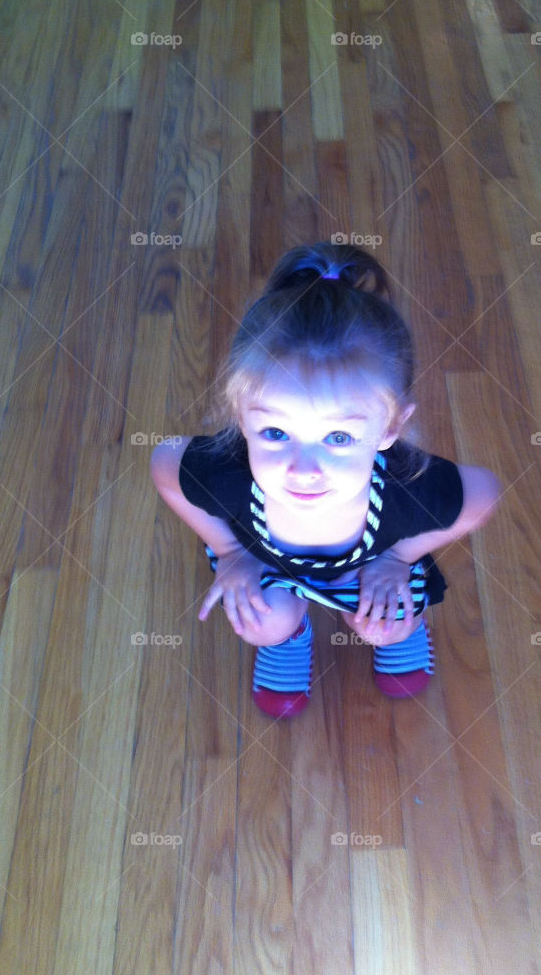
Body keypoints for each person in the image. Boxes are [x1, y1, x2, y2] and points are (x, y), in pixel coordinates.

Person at [150, 241, 501, 718]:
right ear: (240, 416)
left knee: (386, 621)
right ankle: (288, 636)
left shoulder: (407, 486)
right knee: (260, 622)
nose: (304, 468)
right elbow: (166, 465)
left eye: (338, 437)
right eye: (275, 433)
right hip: (262, 561)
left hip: (373, 567)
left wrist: (399, 558)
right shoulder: (227, 471)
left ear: (390, 429)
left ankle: (404, 629)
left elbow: (482, 494)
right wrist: (232, 553)